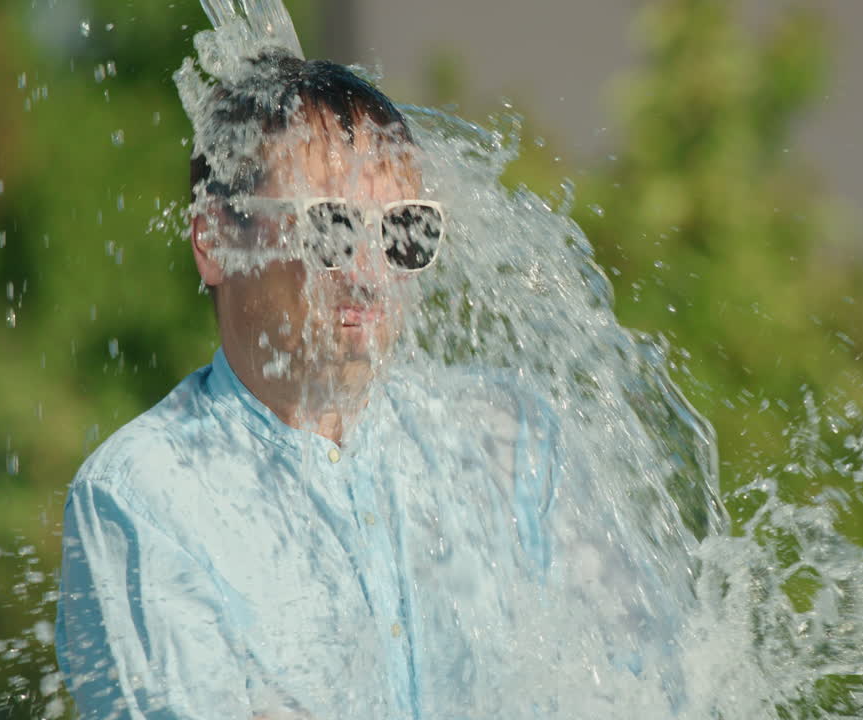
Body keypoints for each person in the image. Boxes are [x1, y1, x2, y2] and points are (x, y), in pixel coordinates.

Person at [53, 50, 576, 718]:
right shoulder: (142, 500)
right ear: (214, 241)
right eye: (330, 228)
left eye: (406, 233)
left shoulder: (504, 446)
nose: (369, 273)